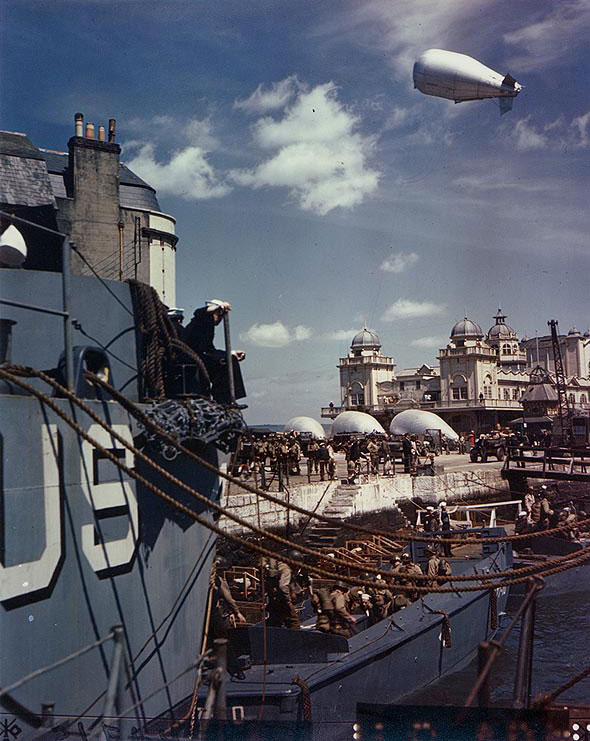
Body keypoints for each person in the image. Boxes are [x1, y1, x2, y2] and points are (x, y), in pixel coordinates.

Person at [182, 299, 246, 404]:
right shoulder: (201, 320)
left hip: (201, 355)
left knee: (231, 359)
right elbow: (200, 312)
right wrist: (219, 307)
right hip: (191, 357)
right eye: (220, 315)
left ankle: (228, 399)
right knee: (226, 362)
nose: (220, 319)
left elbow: (210, 349)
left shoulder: (209, 325)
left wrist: (231, 353)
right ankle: (223, 399)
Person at [209, 557, 247, 678]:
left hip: (204, 615)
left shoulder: (209, 580)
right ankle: (235, 669)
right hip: (213, 616)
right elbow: (229, 599)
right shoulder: (218, 581)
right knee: (224, 641)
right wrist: (237, 613)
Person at [263, 555, 300, 629]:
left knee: (274, 620)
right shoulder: (286, 569)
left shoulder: (277, 565)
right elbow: (283, 586)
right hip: (282, 600)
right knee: (293, 622)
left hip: (273, 598)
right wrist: (288, 601)